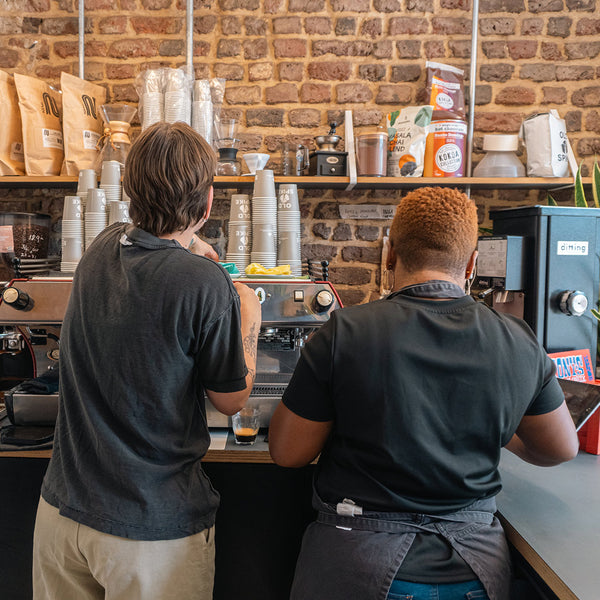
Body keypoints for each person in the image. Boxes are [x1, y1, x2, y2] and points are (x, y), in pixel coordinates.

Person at [269, 186, 579, 600]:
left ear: (390, 255)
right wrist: (498, 429)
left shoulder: (344, 332)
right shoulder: (516, 339)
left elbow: (288, 453)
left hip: (356, 559)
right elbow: (560, 448)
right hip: (474, 569)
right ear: (471, 263)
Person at [33, 122, 262, 600]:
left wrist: (194, 246)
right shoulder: (205, 285)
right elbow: (230, 400)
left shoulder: (99, 248)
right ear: (208, 202)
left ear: (129, 191)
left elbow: (153, 241)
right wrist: (249, 318)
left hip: (61, 515)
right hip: (147, 530)